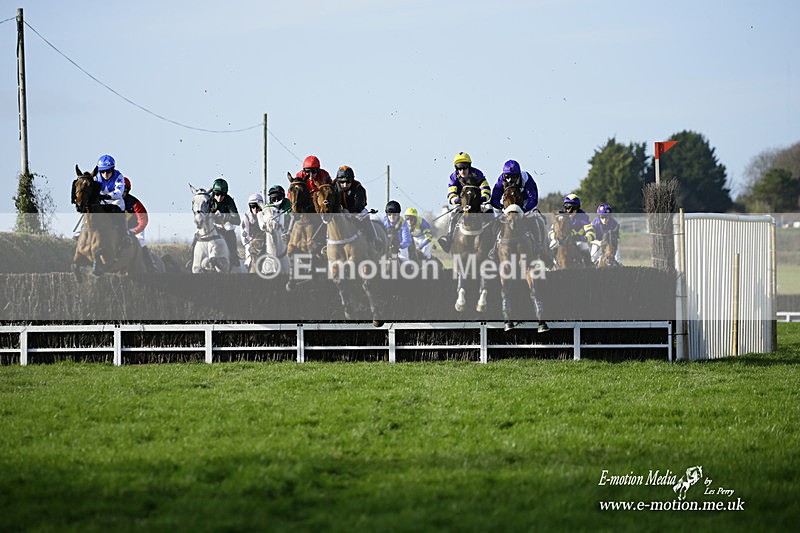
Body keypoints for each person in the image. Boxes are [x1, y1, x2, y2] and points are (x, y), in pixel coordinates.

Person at [487, 159, 550, 266]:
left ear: (519, 175)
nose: (511, 179)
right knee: (497, 220)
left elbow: (533, 199)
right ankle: (493, 247)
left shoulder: (527, 179)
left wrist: (523, 210)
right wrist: (502, 207)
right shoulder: (501, 180)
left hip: (524, 204)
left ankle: (538, 245)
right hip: (506, 206)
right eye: (508, 177)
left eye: (514, 177)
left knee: (534, 217)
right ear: (504, 175)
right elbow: (494, 199)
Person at [437, 152, 491, 253]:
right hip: (463, 205)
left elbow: (486, 189)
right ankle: (449, 239)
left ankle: (493, 242)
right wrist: (457, 200)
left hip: (477, 203)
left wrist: (483, 198)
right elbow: (451, 194)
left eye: (464, 167)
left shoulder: (477, 174)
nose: (462, 171)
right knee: (453, 216)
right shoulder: (453, 177)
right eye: (459, 168)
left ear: (469, 166)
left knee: (490, 212)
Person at [548, 193, 595, 266]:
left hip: (578, 240)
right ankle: (549, 267)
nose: (568, 209)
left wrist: (582, 238)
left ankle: (589, 266)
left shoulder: (583, 217)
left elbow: (591, 234)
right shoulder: (560, 217)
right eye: (566, 206)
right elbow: (551, 231)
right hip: (561, 240)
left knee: (584, 247)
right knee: (551, 245)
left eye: (571, 207)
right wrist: (554, 236)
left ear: (576, 207)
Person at [122, 177, 157, 272]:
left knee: (140, 240)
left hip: (135, 228)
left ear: (127, 190)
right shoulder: (112, 201)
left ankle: (150, 264)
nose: (121, 192)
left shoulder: (134, 203)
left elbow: (143, 220)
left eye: (124, 189)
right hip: (120, 229)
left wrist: (135, 230)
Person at [208, 177, 242, 269]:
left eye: (222, 194)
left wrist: (224, 216)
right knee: (197, 235)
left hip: (224, 228)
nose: (219, 197)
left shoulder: (229, 200)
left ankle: (234, 255)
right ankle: (191, 258)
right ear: (213, 192)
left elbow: (237, 220)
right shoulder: (209, 200)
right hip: (211, 226)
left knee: (229, 230)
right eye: (217, 194)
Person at [241, 192, 267, 270]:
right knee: (249, 262)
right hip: (252, 245)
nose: (255, 209)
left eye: (257, 206)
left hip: (265, 243)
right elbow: (244, 235)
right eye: (252, 206)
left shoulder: (265, 215)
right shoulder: (246, 216)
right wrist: (250, 247)